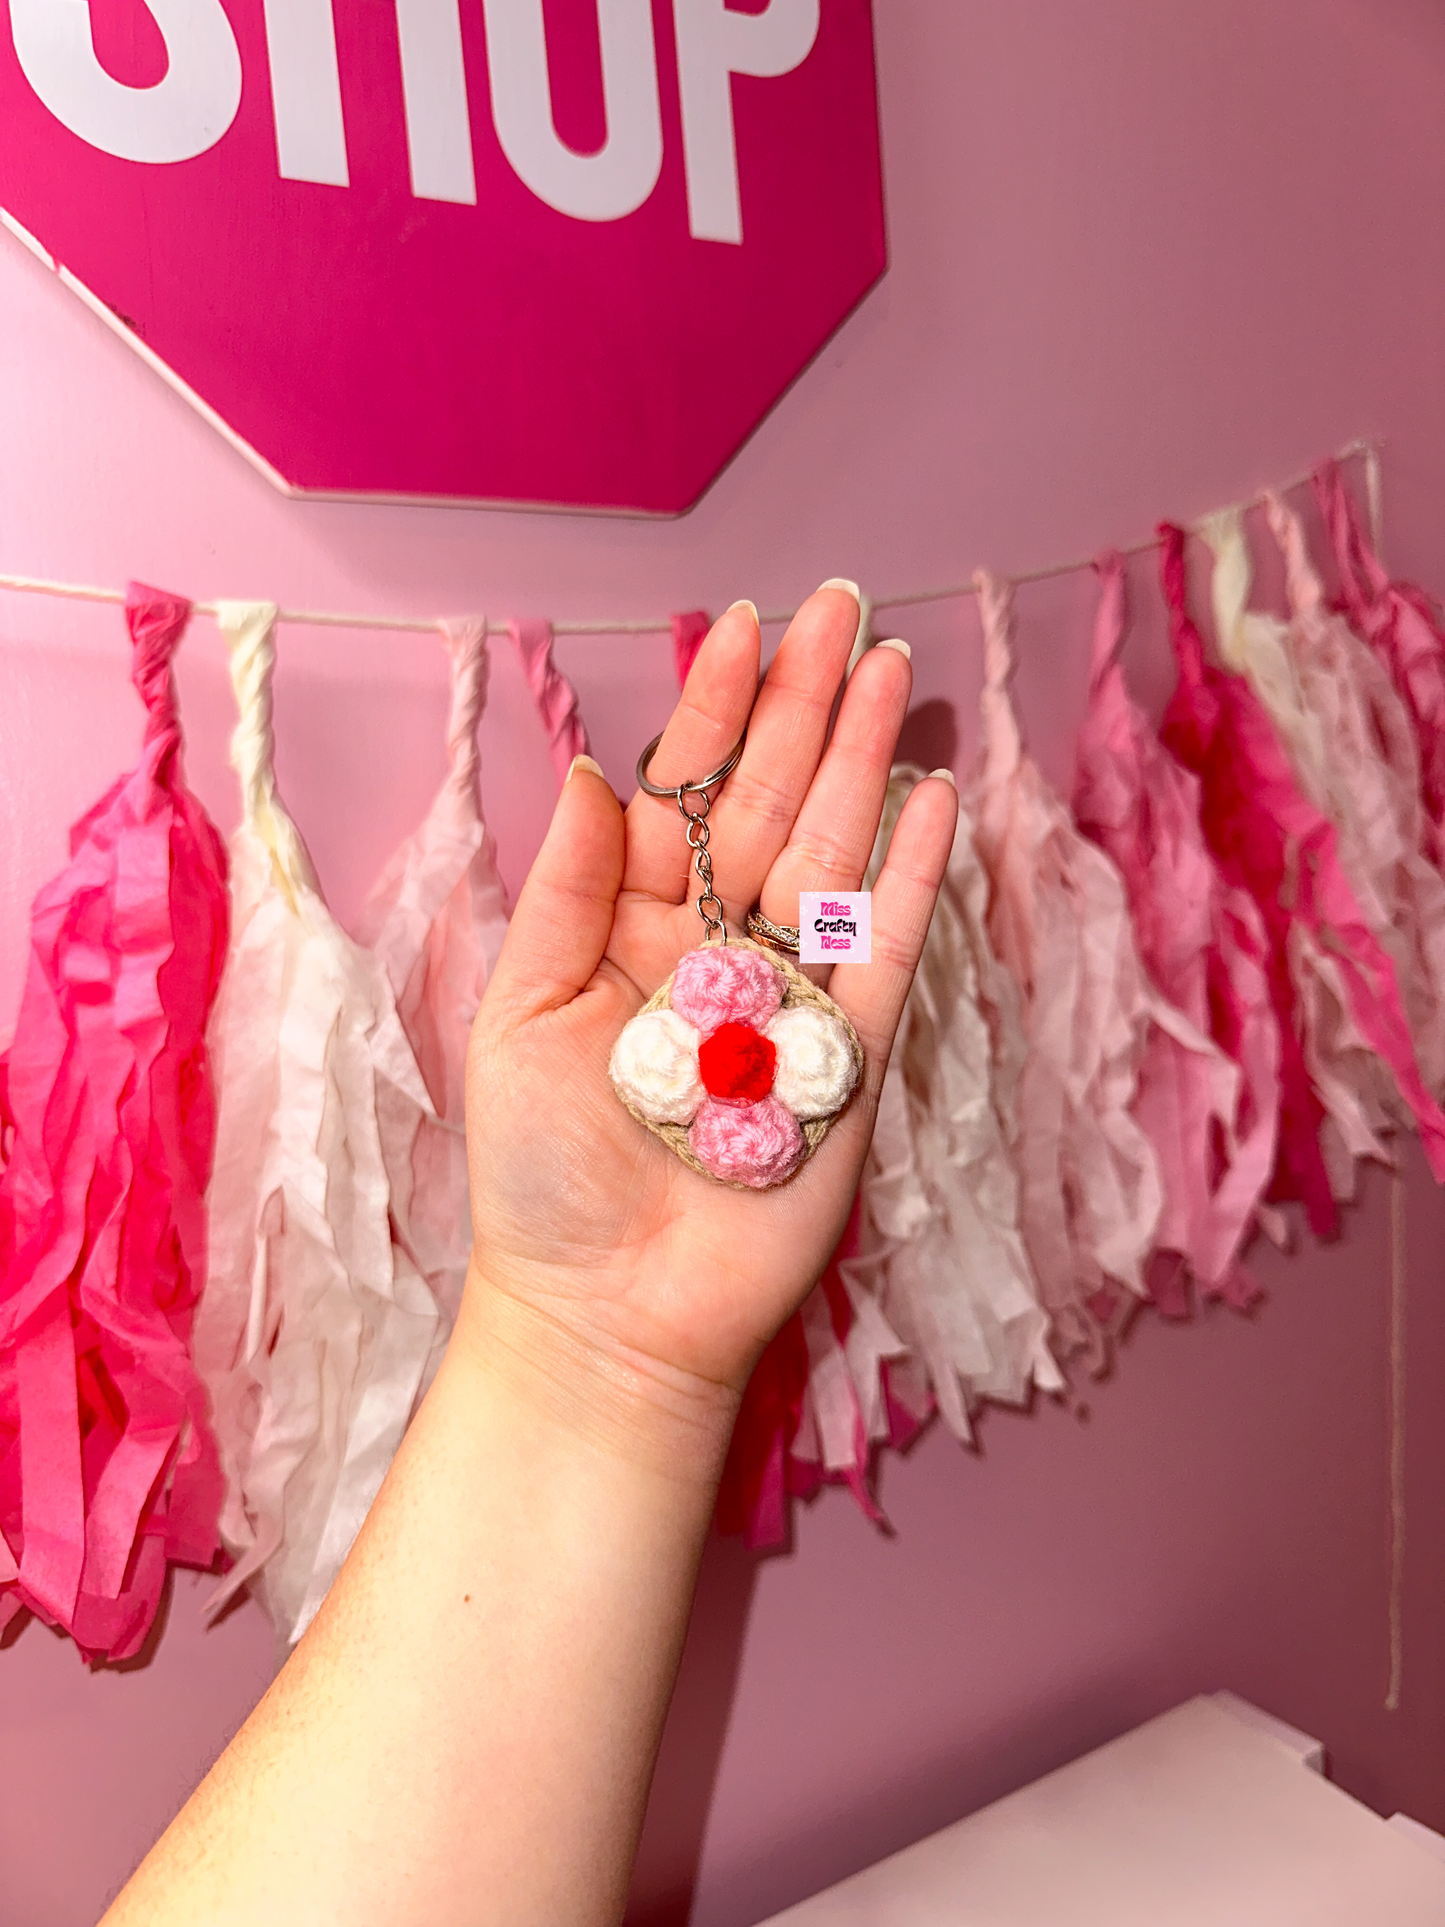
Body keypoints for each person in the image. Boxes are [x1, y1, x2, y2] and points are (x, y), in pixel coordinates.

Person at [102, 586, 958, 1927]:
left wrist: (592, 1351)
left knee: (854, 927)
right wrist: (578, 1333)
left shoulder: (778, 974)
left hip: (722, 1098)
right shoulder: (701, 1014)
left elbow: (832, 947)